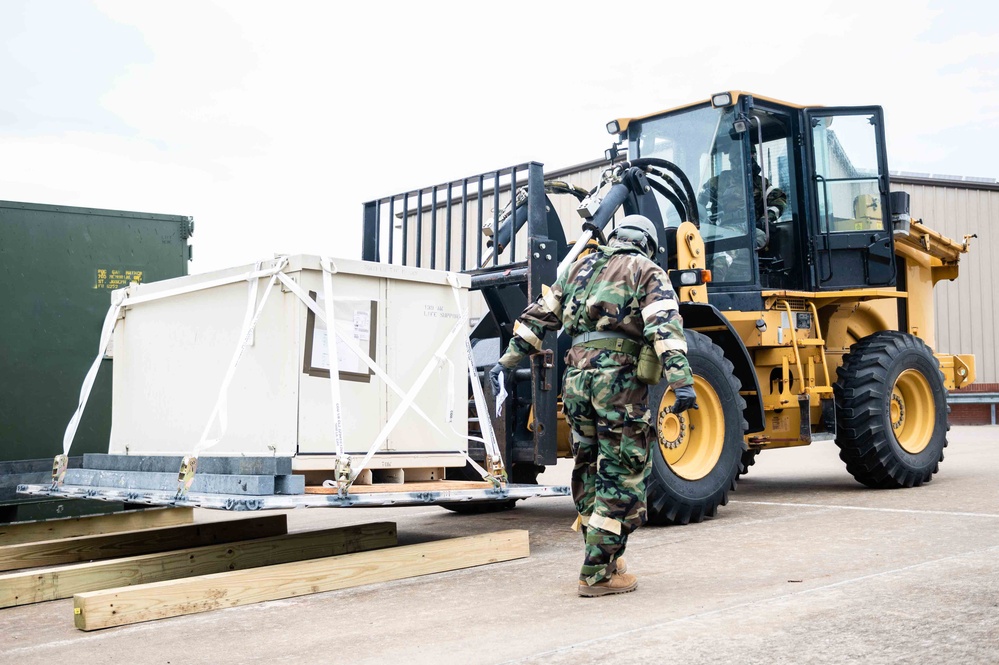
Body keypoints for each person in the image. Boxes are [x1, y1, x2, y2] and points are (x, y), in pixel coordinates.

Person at [489, 215, 696, 597]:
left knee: (588, 464)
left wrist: (506, 363)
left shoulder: (580, 266)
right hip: (617, 382)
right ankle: (597, 573)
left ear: (615, 236)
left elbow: (538, 317)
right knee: (622, 471)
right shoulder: (646, 270)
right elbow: (663, 327)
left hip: (577, 380)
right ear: (647, 243)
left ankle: (607, 554)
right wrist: (682, 383)